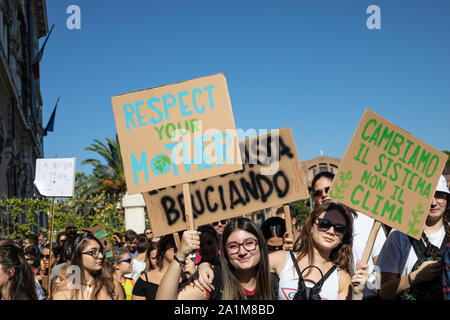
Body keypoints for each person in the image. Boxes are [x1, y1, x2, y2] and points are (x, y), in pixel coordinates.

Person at [156, 217, 275, 300]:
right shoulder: (213, 282)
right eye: (233, 246)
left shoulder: (275, 282)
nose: (242, 252)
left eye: (249, 243)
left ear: (261, 245)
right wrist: (180, 255)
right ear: (225, 250)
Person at [269, 203, 369, 300]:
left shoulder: (342, 279)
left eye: (339, 228)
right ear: (311, 226)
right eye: (324, 224)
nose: (331, 231)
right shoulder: (280, 260)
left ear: (343, 237)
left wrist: (357, 294)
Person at [310, 171, 386, 298]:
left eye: (329, 189)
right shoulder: (314, 229)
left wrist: (371, 284)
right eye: (318, 193)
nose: (324, 195)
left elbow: (383, 269)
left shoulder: (368, 222)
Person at [377, 175, 450, 300]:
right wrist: (414, 277)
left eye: (439, 195)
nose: (433, 202)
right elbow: (383, 293)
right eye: (427, 196)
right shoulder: (398, 235)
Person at [52, 231, 124, 300]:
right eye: (93, 252)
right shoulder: (63, 294)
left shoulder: (112, 285)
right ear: (78, 256)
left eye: (101, 251)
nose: (101, 256)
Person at [132, 234, 178, 300]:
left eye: (179, 242)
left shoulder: (187, 275)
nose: (175, 247)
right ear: (163, 249)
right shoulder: (144, 279)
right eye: (172, 243)